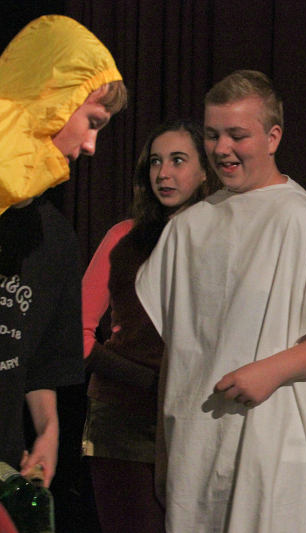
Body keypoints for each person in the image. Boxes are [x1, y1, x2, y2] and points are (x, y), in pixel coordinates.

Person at [135, 70, 306, 533]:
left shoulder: (302, 218)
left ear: (273, 137)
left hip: (272, 451)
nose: (222, 148)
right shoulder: (186, 229)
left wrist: (272, 370)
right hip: (199, 448)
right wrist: (166, 452)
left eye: (237, 135)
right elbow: (178, 352)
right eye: (212, 135)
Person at [0, 14, 126, 488]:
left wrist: (49, 429)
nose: (91, 146)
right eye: (92, 122)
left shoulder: (53, 237)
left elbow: (41, 356)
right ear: (54, 100)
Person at [81, 120, 220, 533]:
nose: (163, 173)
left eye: (178, 161)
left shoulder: (223, 239)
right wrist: (143, 378)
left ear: (205, 171)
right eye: (156, 162)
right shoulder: (124, 237)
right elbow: (74, 333)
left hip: (200, 416)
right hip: (124, 417)